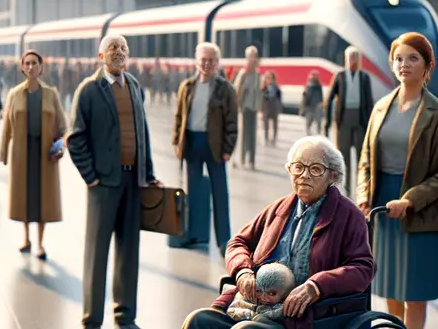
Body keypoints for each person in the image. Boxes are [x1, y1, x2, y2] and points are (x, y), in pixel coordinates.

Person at [182, 135, 375, 329]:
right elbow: (237, 242)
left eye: (315, 169)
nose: (304, 175)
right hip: (250, 306)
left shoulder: (349, 215)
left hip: (300, 316)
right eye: (298, 167)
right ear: (290, 170)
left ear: (332, 176)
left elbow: (363, 267)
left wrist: (315, 286)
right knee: (197, 321)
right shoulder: (279, 208)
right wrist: (242, 271)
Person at [67, 34, 162, 329]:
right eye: (113, 48)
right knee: (97, 253)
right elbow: (75, 138)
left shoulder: (133, 85)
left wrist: (148, 172)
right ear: (101, 56)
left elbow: (141, 131)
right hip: (103, 183)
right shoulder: (89, 89)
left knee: (129, 249)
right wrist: (90, 176)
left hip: (133, 180)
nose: (119, 53)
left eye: (123, 48)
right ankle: (92, 319)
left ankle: (125, 315)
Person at [356, 32, 438, 329]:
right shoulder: (381, 107)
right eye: (398, 59)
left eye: (413, 58)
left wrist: (410, 199)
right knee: (389, 288)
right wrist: (364, 196)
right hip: (382, 207)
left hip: (419, 210)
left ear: (428, 66)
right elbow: (366, 159)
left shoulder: (435, 112)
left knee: (415, 293)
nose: (404, 64)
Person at [0, 50, 67, 260]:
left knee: (43, 197)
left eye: (34, 63)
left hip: (44, 153)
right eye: (26, 64)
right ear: (22, 67)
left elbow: (63, 126)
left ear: (41, 67)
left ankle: (41, 243)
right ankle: (26, 238)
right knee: (25, 197)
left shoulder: (51, 94)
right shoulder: (14, 94)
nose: (30, 67)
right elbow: (7, 127)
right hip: (22, 153)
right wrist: (3, 153)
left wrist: (61, 145)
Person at [173, 42, 238, 257]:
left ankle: (223, 240)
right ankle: (194, 236)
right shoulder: (187, 87)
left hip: (215, 146)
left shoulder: (225, 88)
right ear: (196, 61)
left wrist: (228, 148)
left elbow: (231, 122)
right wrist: (176, 142)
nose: (206, 64)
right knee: (193, 193)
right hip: (192, 143)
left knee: (220, 192)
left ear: (217, 63)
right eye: (203, 60)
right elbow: (179, 117)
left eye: (211, 60)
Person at [325, 46, 374, 194]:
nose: (353, 59)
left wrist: (371, 125)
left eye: (355, 56)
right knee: (343, 157)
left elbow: (369, 102)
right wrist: (328, 121)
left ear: (359, 59)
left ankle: (361, 190)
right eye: (350, 57)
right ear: (346, 59)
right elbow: (329, 99)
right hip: (344, 120)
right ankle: (345, 190)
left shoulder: (364, 77)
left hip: (360, 121)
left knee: (362, 157)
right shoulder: (340, 76)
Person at [225, 262, 296, 325]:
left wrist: (255, 316)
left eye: (271, 293)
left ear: (285, 294)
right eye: (259, 291)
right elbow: (232, 309)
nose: (263, 297)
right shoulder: (250, 296)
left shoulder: (282, 310)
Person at [233, 46, 261, 170]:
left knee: (252, 135)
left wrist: (260, 105)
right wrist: (238, 104)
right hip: (244, 107)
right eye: (251, 57)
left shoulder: (257, 74)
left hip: (254, 108)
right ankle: (242, 159)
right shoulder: (243, 73)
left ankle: (252, 160)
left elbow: (259, 91)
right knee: (244, 134)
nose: (253, 60)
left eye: (255, 57)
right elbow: (236, 89)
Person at [260, 72, 282, 146]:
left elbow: (279, 98)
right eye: (267, 77)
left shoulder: (276, 87)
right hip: (266, 108)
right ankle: (266, 138)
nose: (268, 79)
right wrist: (261, 108)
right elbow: (261, 98)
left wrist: (279, 108)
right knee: (266, 124)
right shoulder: (264, 87)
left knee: (275, 124)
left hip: (274, 108)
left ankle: (274, 139)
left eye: (270, 78)